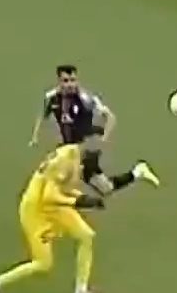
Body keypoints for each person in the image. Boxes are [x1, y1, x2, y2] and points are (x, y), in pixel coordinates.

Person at [0, 142, 108, 293]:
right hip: (37, 211)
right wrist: (77, 201)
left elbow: (63, 189)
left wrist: (83, 198)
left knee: (86, 235)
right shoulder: (63, 163)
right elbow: (49, 196)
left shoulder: (72, 156)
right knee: (43, 263)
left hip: (55, 207)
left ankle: (80, 291)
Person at [28, 64, 161, 197]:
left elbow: (110, 117)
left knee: (57, 174)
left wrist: (103, 140)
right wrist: (35, 137)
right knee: (105, 188)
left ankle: (64, 203)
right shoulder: (51, 97)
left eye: (73, 80)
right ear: (59, 81)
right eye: (66, 81)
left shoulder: (86, 99)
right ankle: (138, 172)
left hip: (86, 146)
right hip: (69, 147)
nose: (70, 85)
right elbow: (42, 115)